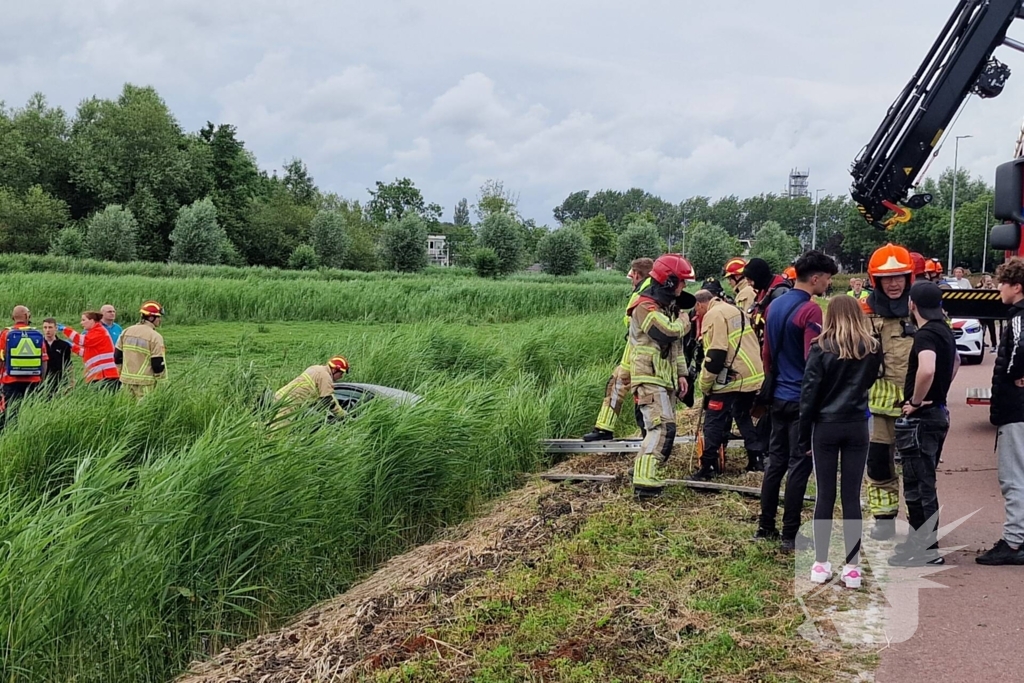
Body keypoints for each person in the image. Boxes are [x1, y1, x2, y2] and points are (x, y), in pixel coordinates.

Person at [756, 250, 837, 552]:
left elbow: (766, 354)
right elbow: (811, 359)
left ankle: (765, 526)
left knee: (774, 463)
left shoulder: (774, 305)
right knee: (799, 465)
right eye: (827, 279)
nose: (828, 284)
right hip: (801, 400)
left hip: (777, 396)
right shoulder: (811, 311)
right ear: (815, 278)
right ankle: (790, 534)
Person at [800, 295, 883, 589]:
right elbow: (871, 380)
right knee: (851, 497)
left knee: (825, 494)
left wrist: (803, 433)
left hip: (825, 425)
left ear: (830, 315)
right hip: (857, 424)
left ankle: (821, 564)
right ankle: (852, 569)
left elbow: (809, 393)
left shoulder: (820, 348)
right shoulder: (871, 347)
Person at [888, 281, 958, 567]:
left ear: (912, 304)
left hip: (921, 419)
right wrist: (940, 393)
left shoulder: (925, 334)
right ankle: (921, 545)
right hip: (938, 414)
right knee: (924, 481)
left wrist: (916, 401)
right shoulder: (945, 330)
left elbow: (927, 368)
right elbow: (955, 364)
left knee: (919, 485)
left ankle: (926, 549)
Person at [862, 243, 917, 541]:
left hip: (917, 404)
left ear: (909, 278)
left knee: (917, 468)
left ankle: (919, 524)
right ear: (876, 281)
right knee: (879, 465)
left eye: (899, 277)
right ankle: (883, 520)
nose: (894, 283)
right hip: (880, 409)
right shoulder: (865, 312)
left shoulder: (921, 309)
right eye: (887, 278)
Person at [628, 254, 694, 498]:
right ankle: (645, 483)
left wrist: (682, 374)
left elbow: (675, 347)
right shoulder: (644, 306)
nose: (684, 287)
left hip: (663, 378)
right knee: (661, 428)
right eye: (682, 281)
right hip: (648, 376)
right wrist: (685, 322)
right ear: (668, 281)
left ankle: (645, 476)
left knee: (662, 428)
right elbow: (666, 333)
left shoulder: (666, 308)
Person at [689, 288, 765, 480]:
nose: (697, 315)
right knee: (742, 415)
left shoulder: (713, 315)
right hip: (751, 376)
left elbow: (716, 354)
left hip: (731, 379)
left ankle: (708, 467)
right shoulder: (734, 310)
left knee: (713, 421)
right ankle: (756, 460)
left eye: (696, 311)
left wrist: (705, 384)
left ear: (700, 304)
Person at [977, 258, 1024, 565]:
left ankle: (1014, 540)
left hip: (1015, 408)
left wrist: (1013, 374)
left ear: (1016, 287)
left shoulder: (1019, 316)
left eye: (1002, 284)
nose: (998, 289)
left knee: (1013, 475)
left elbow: (1020, 350)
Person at [582, 258, 654, 442]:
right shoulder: (651, 288)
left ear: (637, 274)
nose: (631, 280)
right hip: (636, 348)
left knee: (626, 387)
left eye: (632, 276)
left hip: (638, 350)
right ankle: (604, 428)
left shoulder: (643, 293)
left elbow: (634, 322)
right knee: (617, 384)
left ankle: (644, 438)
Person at [0, 306, 48, 425]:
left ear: (13, 317)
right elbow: (44, 359)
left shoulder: (5, 333)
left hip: (10, 381)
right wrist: (42, 379)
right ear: (27, 316)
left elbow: (0, 359)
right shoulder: (36, 334)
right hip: (33, 380)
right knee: (30, 414)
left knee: (11, 413)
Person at [273, 356, 349, 425]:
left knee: (270, 425)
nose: (341, 376)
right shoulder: (325, 376)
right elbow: (327, 400)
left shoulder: (315, 368)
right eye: (341, 373)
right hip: (288, 404)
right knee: (278, 430)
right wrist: (341, 415)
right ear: (334, 370)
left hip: (279, 396)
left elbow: (328, 396)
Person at [115, 301, 166, 398]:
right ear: (151, 318)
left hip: (126, 382)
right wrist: (161, 382)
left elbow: (117, 356)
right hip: (145, 384)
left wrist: (122, 373)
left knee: (125, 409)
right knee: (145, 411)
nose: (160, 320)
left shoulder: (126, 331)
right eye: (158, 317)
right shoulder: (155, 337)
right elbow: (157, 364)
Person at [59, 312, 121, 390]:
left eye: (83, 320)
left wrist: (66, 330)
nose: (81, 323)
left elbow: (83, 341)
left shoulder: (99, 331)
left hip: (105, 375)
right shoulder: (94, 332)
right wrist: (73, 347)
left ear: (92, 320)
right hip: (100, 375)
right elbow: (86, 353)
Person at [41, 317, 73, 395]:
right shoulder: (39, 344)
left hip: (59, 380)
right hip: (43, 381)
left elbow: (68, 364)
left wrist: (71, 382)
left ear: (56, 328)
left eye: (50, 327)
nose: (47, 330)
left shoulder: (64, 345)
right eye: (45, 327)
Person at [978, 274, 1000, 351]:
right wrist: (984, 286)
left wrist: (993, 288)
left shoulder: (993, 288)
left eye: (990, 281)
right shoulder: (980, 288)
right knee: (982, 329)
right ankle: (981, 342)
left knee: (992, 329)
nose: (989, 282)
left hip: (990, 312)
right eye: (987, 281)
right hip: (981, 311)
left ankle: (994, 344)